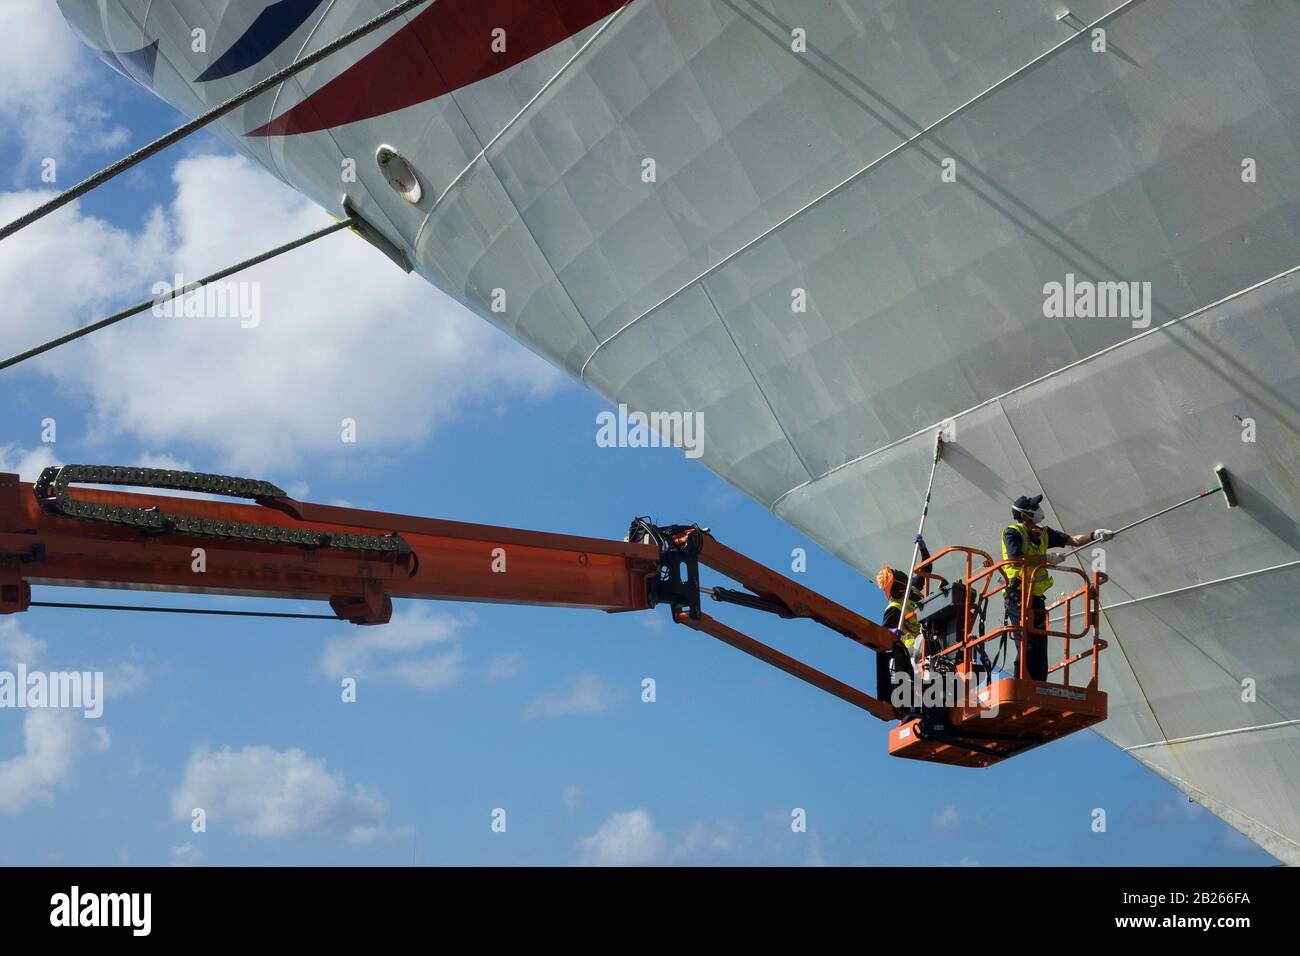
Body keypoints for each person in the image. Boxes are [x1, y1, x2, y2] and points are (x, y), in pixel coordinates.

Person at [1002, 495, 1111, 680]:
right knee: (1027, 642)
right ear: (1025, 514)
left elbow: (1073, 540)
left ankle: (1038, 684)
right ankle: (1022, 683)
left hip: (1035, 598)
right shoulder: (1012, 532)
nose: (1038, 509)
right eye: (1034, 506)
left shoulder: (1043, 533)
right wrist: (1046, 559)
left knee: (1040, 642)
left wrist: (1094, 535)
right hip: (1018, 596)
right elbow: (1017, 558)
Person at [874, 534, 930, 711]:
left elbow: (926, 569)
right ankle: (911, 706)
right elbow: (883, 636)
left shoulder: (911, 590)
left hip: (927, 643)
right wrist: (892, 634)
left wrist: (923, 547)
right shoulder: (895, 607)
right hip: (912, 651)